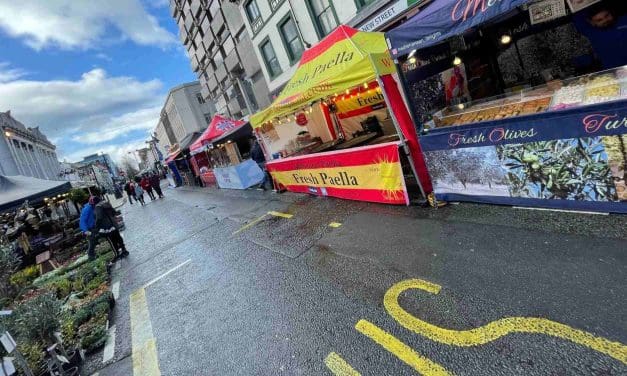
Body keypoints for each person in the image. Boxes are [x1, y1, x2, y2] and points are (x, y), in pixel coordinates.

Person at [574, 0, 627, 69]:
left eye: (607, 15)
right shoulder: (590, 31)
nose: (605, 20)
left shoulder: (624, 20)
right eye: (599, 20)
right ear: (591, 22)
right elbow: (575, 13)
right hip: (613, 72)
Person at [79, 196, 98, 260]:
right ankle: (90, 256)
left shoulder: (92, 207)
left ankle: (93, 254)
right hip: (89, 229)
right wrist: (85, 230)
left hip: (93, 227)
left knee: (94, 241)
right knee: (92, 242)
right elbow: (82, 220)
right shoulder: (87, 209)